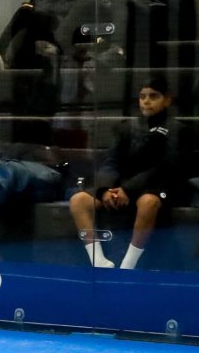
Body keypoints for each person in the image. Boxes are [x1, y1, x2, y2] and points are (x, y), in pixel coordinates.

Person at [66, 75, 190, 270]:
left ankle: (128, 265)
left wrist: (128, 189)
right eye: (142, 96)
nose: (146, 101)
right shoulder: (126, 128)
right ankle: (98, 261)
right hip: (122, 187)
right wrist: (105, 190)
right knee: (78, 200)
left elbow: (166, 167)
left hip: (158, 186)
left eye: (153, 96)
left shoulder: (177, 130)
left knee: (148, 202)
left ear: (167, 100)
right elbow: (111, 162)